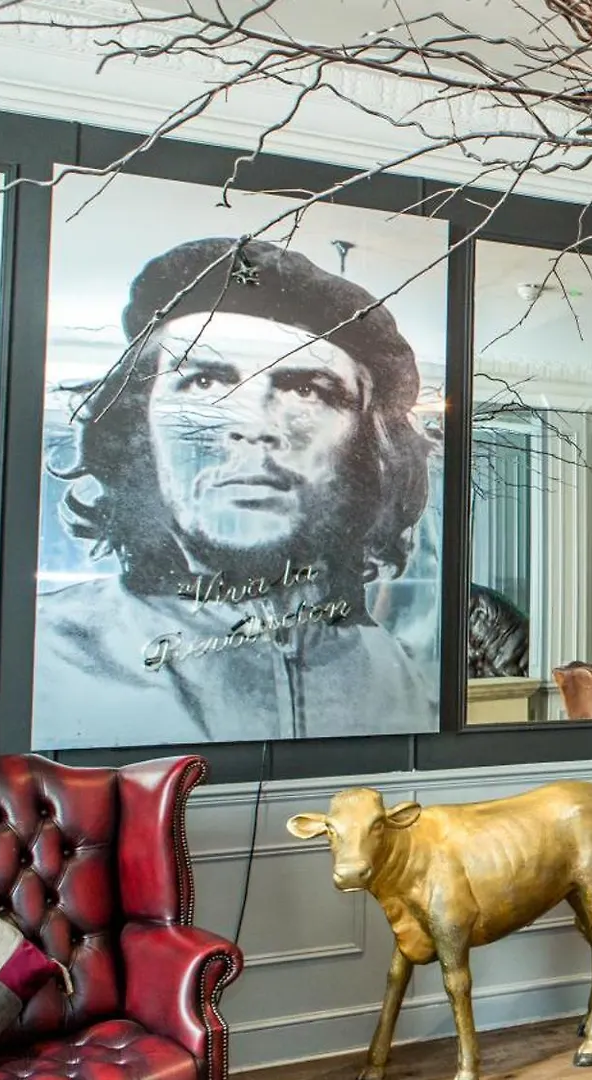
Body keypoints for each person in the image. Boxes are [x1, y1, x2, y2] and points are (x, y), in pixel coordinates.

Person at [32, 237, 438, 747]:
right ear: (140, 423)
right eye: (203, 382)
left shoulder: (391, 672)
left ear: (365, 445)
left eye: (307, 390)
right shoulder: (49, 655)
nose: (252, 426)